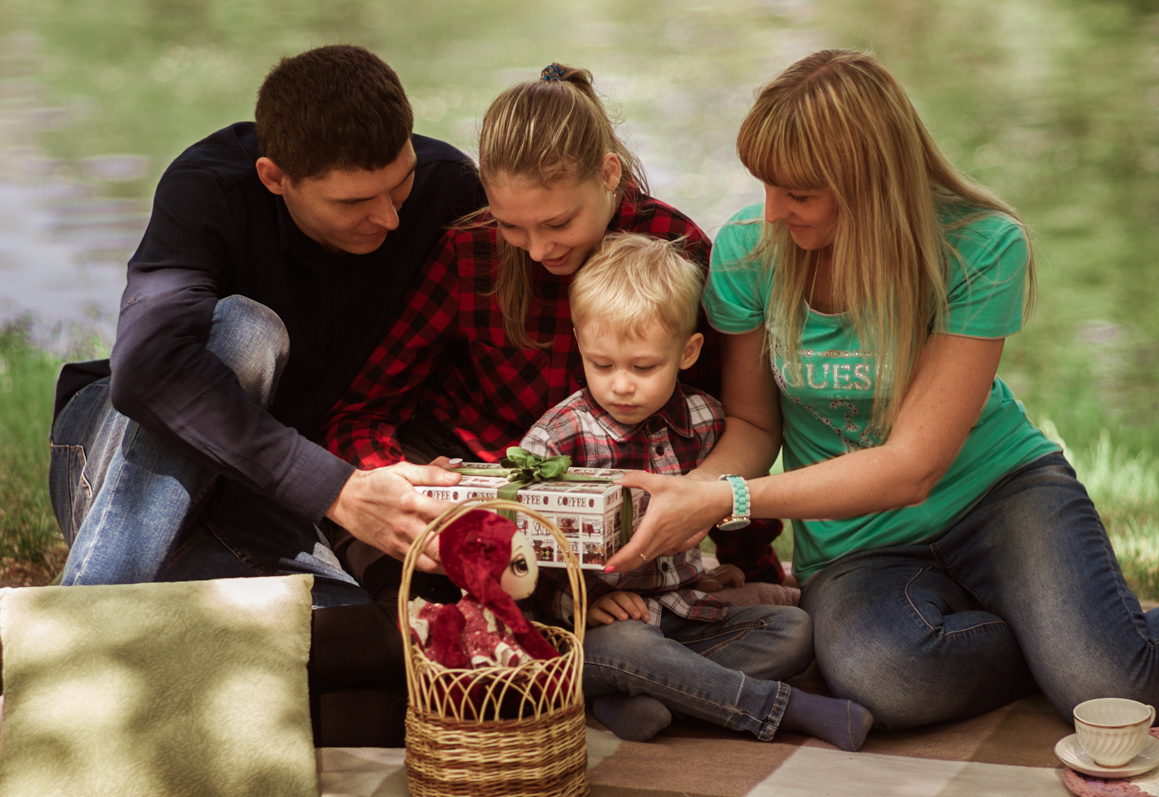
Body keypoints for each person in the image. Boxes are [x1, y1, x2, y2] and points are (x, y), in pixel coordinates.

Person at [606, 49, 1159, 731]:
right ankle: (1050, 634)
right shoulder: (749, 253)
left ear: (870, 183)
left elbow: (914, 466)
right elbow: (752, 425)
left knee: (1109, 684)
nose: (772, 213)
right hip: (857, 545)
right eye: (766, 185)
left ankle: (1077, 643)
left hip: (999, 495)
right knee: (888, 677)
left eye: (799, 193)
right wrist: (687, 497)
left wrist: (726, 498)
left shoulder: (980, 248)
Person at [46, 44, 486, 745]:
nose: (391, 219)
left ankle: (142, 639)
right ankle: (67, 658)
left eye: (398, 187)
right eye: (355, 202)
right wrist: (339, 490)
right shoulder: (207, 188)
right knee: (246, 331)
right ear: (274, 177)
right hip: (118, 470)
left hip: (264, 498)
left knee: (369, 648)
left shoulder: (448, 187)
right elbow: (148, 371)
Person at [321, 63, 783, 597]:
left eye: (558, 224)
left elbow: (719, 426)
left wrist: (747, 561)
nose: (538, 251)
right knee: (412, 589)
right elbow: (362, 412)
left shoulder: (675, 251)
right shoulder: (471, 252)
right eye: (512, 225)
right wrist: (398, 481)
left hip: (614, 519)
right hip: (489, 497)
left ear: (609, 174)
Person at [519, 233, 873, 748]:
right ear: (580, 344)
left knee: (793, 631)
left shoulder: (706, 421)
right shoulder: (559, 438)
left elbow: (728, 501)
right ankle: (776, 708)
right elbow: (520, 550)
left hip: (682, 616)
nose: (621, 384)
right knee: (632, 648)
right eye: (602, 364)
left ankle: (640, 699)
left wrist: (722, 573)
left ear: (688, 352)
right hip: (596, 636)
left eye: (643, 367)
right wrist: (577, 606)